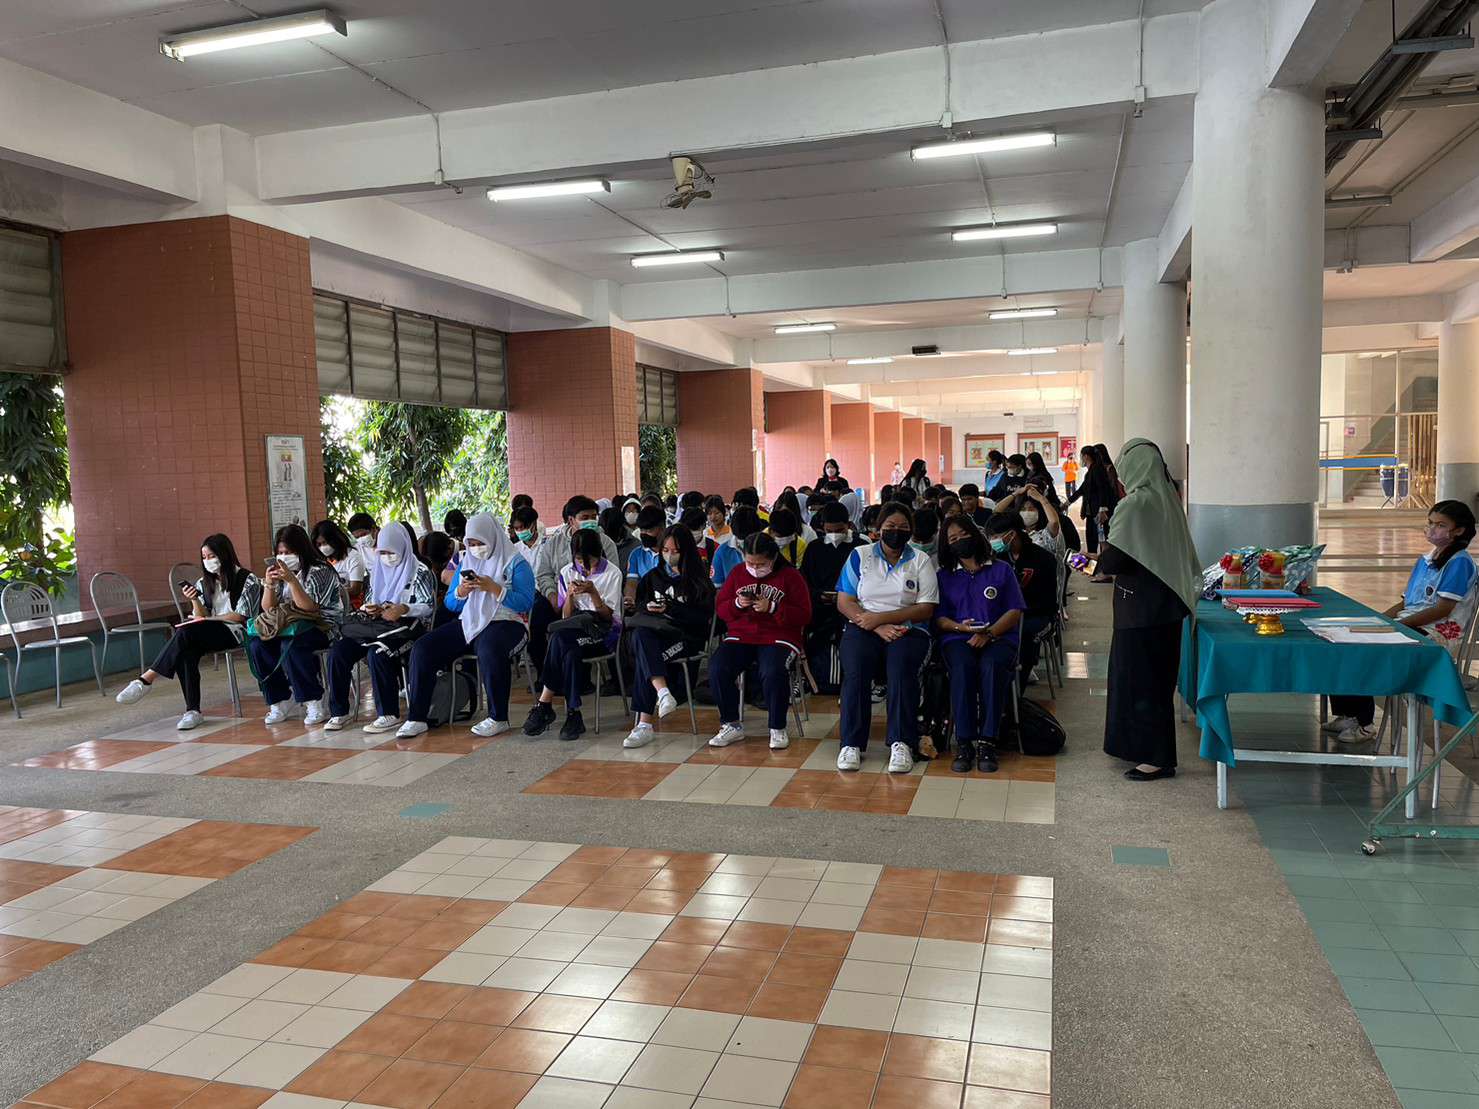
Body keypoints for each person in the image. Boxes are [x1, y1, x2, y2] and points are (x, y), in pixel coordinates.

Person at [1327, 500, 1478, 742]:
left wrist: (1397, 626)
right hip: (1409, 623)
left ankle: (1365, 723)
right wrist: (1377, 620)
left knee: (1362, 651)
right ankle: (1348, 713)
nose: (1433, 529)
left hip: (1434, 632)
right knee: (1342, 640)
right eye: (1430, 523)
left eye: (1441, 525)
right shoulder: (1426, 561)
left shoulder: (1459, 563)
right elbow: (1406, 603)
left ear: (1459, 530)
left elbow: (1442, 608)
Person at [1098, 439, 1201, 781]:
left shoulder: (1135, 504)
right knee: (1156, 681)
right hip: (1166, 605)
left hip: (1140, 609)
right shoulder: (1167, 499)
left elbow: (1115, 560)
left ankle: (1156, 758)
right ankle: (1139, 748)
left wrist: (1101, 552)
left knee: (1138, 682)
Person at [396, 513, 536, 739]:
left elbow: (526, 602)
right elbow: (451, 603)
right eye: (471, 543)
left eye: (480, 542)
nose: (476, 548)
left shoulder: (516, 563)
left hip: (507, 622)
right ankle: (417, 717)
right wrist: (461, 592)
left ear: (493, 537)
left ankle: (498, 717)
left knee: (489, 649)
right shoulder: (467, 562)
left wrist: (495, 589)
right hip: (471, 621)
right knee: (423, 647)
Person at [115, 534, 260, 730]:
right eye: (204, 557)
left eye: (212, 556)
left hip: (237, 632)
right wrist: (194, 599)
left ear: (224, 555)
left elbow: (240, 616)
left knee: (186, 634)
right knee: (186, 648)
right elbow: (199, 616)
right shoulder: (204, 583)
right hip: (208, 632)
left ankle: (146, 679)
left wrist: (208, 620)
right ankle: (193, 711)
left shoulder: (247, 579)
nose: (207, 561)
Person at [836, 502, 939, 773]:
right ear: (878, 528)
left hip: (908, 629)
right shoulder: (860, 555)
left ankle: (901, 742)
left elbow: (926, 608)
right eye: (890, 526)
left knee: (901, 668)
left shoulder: (920, 560)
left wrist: (883, 619)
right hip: (863, 626)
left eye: (903, 527)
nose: (896, 532)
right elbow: (845, 601)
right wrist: (875, 625)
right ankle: (851, 743)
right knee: (856, 670)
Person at [323, 520, 440, 733]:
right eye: (382, 552)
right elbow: (370, 599)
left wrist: (404, 608)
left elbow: (429, 607)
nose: (387, 557)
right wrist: (372, 608)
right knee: (337, 652)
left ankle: (388, 714)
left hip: (407, 630)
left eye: (391, 552)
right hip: (376, 626)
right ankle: (339, 711)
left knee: (378, 653)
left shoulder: (419, 571)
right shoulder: (377, 570)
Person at [935, 516, 1025, 773]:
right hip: (957, 638)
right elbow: (939, 618)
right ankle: (964, 742)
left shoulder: (1001, 569)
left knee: (991, 667)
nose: (960, 541)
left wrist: (990, 633)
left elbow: (1015, 610)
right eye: (953, 539)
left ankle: (988, 740)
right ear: (947, 545)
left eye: (964, 534)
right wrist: (961, 628)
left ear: (975, 534)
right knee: (962, 668)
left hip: (999, 637)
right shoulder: (944, 576)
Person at [707, 532, 812, 750]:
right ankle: (731, 724)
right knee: (717, 667)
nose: (755, 568)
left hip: (780, 637)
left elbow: (804, 615)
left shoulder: (791, 576)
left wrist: (773, 608)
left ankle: (777, 727)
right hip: (741, 635)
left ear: (773, 558)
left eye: (761, 564)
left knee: (772, 670)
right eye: (750, 563)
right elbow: (721, 609)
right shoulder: (737, 573)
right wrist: (737, 604)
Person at [523, 527, 624, 741]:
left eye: (590, 561)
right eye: (579, 560)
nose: (584, 566)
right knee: (568, 651)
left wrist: (593, 593)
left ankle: (545, 704)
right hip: (574, 627)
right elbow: (565, 615)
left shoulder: (612, 573)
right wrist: (569, 595)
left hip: (602, 630)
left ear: (599, 554)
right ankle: (572, 713)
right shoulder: (567, 571)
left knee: (559, 640)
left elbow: (609, 616)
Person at [624, 525, 717, 748]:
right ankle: (663, 693)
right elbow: (640, 607)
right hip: (658, 634)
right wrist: (646, 607)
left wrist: (672, 608)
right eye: (665, 550)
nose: (669, 555)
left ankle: (644, 724)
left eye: (675, 551)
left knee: (645, 656)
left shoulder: (698, 581)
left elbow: (703, 619)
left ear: (686, 551)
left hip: (686, 639)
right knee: (641, 637)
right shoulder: (653, 577)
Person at [247, 523, 344, 725]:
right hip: (289, 625)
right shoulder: (281, 573)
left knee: (292, 645)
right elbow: (268, 609)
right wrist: (269, 584)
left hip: (323, 625)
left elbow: (310, 609)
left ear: (302, 550)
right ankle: (280, 699)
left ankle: (314, 699)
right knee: (258, 644)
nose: (284, 557)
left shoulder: (320, 571)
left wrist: (292, 581)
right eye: (280, 553)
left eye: (289, 552)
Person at [531, 496, 620, 685]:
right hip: (559, 595)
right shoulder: (553, 543)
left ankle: (574, 680)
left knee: (572, 628)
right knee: (538, 616)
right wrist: (553, 596)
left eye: (594, 517)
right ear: (571, 520)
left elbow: (611, 576)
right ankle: (544, 674)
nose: (591, 521)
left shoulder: (606, 543)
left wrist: (591, 593)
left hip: (593, 604)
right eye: (585, 517)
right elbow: (544, 574)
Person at [984, 509, 1059, 684]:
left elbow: (1047, 602)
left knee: (1023, 635)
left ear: (1012, 534)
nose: (992, 541)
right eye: (990, 537)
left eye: (995, 536)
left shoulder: (1043, 559)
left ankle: (1018, 687)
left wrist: (1018, 613)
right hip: (1003, 615)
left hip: (1037, 615)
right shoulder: (996, 558)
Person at [799, 500, 860, 693]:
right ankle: (814, 676)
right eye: (829, 530)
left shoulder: (859, 547)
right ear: (822, 528)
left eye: (839, 530)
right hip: (821, 605)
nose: (834, 535)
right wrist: (819, 595)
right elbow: (804, 582)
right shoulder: (814, 548)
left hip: (853, 605)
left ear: (848, 525)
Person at [623, 504, 668, 613]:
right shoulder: (636, 554)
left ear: (662, 528)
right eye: (642, 530)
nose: (644, 534)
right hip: (644, 607)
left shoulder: (672, 552)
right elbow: (631, 582)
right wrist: (630, 599)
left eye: (649, 530)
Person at [312, 519, 367, 608]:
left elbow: (355, 590)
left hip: (350, 606)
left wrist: (329, 593)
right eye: (319, 544)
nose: (323, 547)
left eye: (325, 543)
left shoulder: (353, 557)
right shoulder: (321, 560)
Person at [710, 505, 762, 586]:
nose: (744, 543)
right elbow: (717, 585)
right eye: (740, 538)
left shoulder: (768, 549)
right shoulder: (722, 552)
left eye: (749, 539)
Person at [510, 504, 543, 568]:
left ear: (533, 523)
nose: (520, 531)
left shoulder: (547, 545)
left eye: (523, 527)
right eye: (516, 528)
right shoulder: (515, 549)